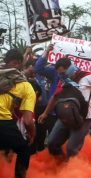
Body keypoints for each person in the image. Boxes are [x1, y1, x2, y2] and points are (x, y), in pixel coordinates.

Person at [0, 50, 36, 178]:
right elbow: (27, 121)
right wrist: (32, 133)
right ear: (18, 64)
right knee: (23, 149)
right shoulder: (26, 86)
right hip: (2, 120)